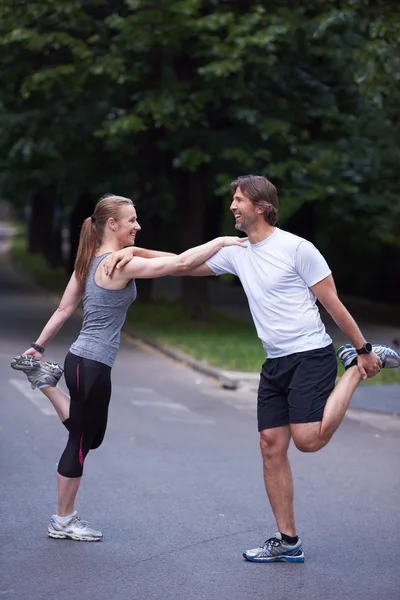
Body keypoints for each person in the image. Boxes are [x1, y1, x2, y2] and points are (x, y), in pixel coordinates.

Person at [106, 175, 400, 563]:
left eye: (239, 200)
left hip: (310, 353)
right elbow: (181, 265)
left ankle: (351, 368)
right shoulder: (238, 252)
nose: (232, 206)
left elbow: (333, 304)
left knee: (308, 440)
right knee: (270, 448)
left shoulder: (298, 248)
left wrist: (362, 349)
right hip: (275, 361)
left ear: (261, 207)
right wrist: (133, 252)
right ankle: (288, 541)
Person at [11, 193, 246, 542]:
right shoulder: (118, 266)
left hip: (84, 360)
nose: (138, 225)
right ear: (112, 224)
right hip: (91, 364)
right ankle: (62, 520)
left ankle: (45, 380)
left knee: (92, 435)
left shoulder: (91, 260)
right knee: (80, 441)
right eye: (132, 221)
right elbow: (180, 264)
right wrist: (223, 240)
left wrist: (38, 346)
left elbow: (64, 309)